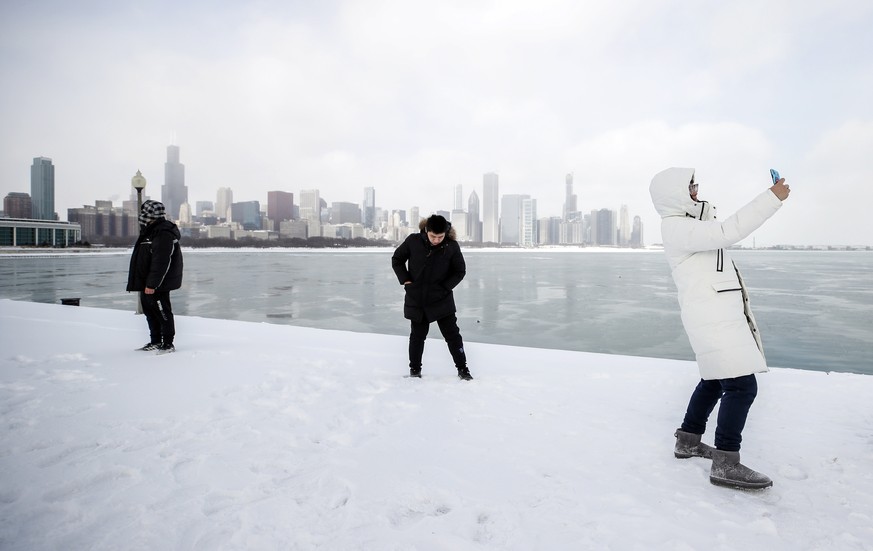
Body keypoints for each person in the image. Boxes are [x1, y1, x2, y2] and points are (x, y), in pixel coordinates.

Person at [649, 167, 790, 490]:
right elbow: (728, 231)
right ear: (676, 195)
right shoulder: (678, 227)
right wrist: (771, 198)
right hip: (711, 317)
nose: (697, 190)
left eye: (695, 185)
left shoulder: (693, 224)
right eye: (690, 187)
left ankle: (688, 440)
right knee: (742, 386)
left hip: (715, 314)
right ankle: (726, 462)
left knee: (714, 380)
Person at [391, 214, 473, 380]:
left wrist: (444, 287)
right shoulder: (413, 241)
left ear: (446, 233)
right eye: (433, 236)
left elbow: (460, 271)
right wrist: (406, 280)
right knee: (417, 337)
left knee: (452, 336)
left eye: (440, 237)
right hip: (417, 297)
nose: (436, 240)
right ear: (426, 231)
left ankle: (463, 370)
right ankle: (415, 371)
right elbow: (397, 259)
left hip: (442, 298)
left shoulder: (451, 246)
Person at [127, 200, 184, 354]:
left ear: (151, 214)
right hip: (146, 281)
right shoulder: (150, 230)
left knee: (162, 312)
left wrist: (152, 284)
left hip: (158, 284)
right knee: (150, 311)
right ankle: (156, 341)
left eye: (144, 212)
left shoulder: (163, 232)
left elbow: (161, 261)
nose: (141, 215)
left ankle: (168, 344)